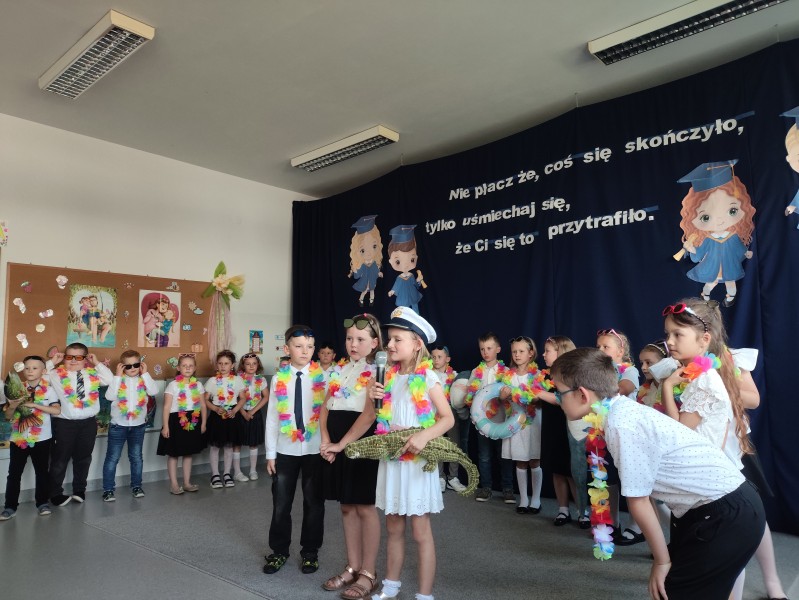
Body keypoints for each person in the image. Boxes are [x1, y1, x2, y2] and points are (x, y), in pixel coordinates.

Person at [550, 347, 765, 600]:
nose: (557, 397)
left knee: (674, 592)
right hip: (712, 509)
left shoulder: (621, 423)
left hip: (726, 512)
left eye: (559, 391)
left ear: (582, 394)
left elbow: (639, 501)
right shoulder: (620, 412)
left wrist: (661, 561)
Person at [369, 306, 455, 600]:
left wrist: (423, 435)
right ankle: (390, 586)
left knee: (420, 532)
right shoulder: (387, 376)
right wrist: (373, 399)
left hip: (417, 464)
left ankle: (424, 595)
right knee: (393, 527)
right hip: (393, 460)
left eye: (397, 339)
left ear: (417, 344)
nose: (390, 345)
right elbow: (380, 418)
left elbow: (447, 418)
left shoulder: (427, 377)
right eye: (389, 339)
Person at [320, 314, 382, 599]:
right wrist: (326, 440)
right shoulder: (340, 369)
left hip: (361, 442)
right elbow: (325, 407)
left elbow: (369, 415)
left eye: (360, 339)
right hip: (338, 443)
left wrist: (341, 444)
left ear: (375, 343)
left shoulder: (378, 372)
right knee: (346, 505)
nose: (353, 344)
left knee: (364, 506)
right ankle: (352, 566)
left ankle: (369, 572)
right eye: (349, 339)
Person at [263, 325, 326, 575]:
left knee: (314, 503)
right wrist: (270, 453)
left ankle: (310, 552)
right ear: (287, 348)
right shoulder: (279, 379)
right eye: (299, 346)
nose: (305, 351)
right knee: (281, 504)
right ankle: (279, 551)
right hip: (285, 449)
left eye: (310, 347)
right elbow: (272, 418)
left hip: (314, 448)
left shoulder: (323, 377)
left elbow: (327, 415)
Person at [678, 160, 756, 307]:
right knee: (710, 284)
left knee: (731, 284)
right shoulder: (708, 239)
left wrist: (746, 253)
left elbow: (739, 249)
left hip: (729, 267)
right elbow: (699, 254)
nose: (720, 220)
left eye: (732, 211)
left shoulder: (733, 237)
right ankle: (705, 296)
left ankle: (730, 298)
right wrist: (691, 248)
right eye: (705, 217)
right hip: (712, 267)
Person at [47, 343, 114, 506]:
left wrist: (96, 362)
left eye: (78, 357)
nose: (73, 361)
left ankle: (79, 490)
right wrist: (53, 361)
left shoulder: (93, 374)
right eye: (69, 357)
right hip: (64, 424)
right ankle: (55, 493)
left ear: (85, 359)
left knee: (83, 459)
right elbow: (41, 374)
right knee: (59, 459)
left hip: (88, 424)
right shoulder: (55, 374)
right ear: (64, 358)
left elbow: (110, 379)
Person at [596, 327, 642, 545]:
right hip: (606, 433)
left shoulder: (629, 371)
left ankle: (637, 526)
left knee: (631, 482)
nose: (600, 350)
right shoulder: (599, 373)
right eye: (598, 346)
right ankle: (613, 523)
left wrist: (597, 388)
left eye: (606, 347)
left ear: (620, 351)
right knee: (609, 480)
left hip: (627, 436)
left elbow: (624, 387)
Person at [1, 356, 61, 520]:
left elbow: (57, 411)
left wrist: (35, 405)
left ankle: (42, 503)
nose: (30, 371)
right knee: (14, 473)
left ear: (44, 371)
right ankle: (10, 507)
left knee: (42, 472)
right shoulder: (16, 389)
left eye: (35, 368)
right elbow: (7, 416)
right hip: (18, 438)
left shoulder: (49, 390)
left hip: (42, 438)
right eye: (27, 368)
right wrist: (13, 405)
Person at [537, 336, 582, 526]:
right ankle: (563, 510)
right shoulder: (546, 376)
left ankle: (582, 511)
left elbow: (563, 399)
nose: (543, 354)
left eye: (547, 350)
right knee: (556, 469)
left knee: (572, 471)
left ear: (560, 352)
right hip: (551, 426)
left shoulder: (572, 375)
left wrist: (538, 393)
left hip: (569, 426)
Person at [101, 350, 158, 501]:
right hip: (118, 426)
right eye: (128, 366)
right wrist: (117, 376)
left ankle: (136, 486)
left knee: (136, 457)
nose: (132, 368)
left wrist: (145, 373)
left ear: (141, 365)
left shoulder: (144, 380)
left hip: (138, 426)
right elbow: (109, 396)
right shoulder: (118, 381)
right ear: (122, 366)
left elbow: (154, 391)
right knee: (112, 458)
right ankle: (108, 490)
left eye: (136, 365)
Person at [498, 336, 545, 515]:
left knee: (534, 459)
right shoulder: (507, 376)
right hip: (515, 423)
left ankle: (536, 499)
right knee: (520, 460)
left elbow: (541, 400)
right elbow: (502, 401)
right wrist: (502, 397)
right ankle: (524, 499)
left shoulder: (538, 375)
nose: (517, 355)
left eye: (521, 351)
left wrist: (532, 398)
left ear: (531, 353)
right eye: (514, 352)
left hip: (533, 423)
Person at [463, 332, 511, 502]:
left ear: (498, 349)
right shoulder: (476, 372)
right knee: (484, 456)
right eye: (482, 349)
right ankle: (486, 488)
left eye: (489, 348)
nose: (485, 352)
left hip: (501, 420)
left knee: (504, 456)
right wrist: (469, 398)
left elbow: (512, 397)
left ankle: (508, 489)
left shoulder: (506, 372)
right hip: (482, 422)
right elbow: (469, 396)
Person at [157, 354, 207, 494]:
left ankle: (186, 483)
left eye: (191, 366)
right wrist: (165, 426)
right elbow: (166, 407)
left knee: (188, 453)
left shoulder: (198, 385)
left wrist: (203, 424)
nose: (188, 368)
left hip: (193, 421)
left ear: (195, 368)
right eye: (184, 366)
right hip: (175, 421)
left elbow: (203, 405)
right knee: (174, 454)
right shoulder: (172, 385)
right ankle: (174, 484)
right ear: (178, 368)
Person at [204, 350, 246, 489]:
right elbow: (206, 400)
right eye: (220, 363)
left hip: (231, 415)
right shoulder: (212, 381)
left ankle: (227, 473)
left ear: (232, 365)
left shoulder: (238, 380)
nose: (223, 366)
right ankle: (215, 474)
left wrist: (235, 410)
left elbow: (243, 398)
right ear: (217, 365)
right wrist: (215, 408)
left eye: (226, 363)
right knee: (215, 447)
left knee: (229, 446)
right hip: (217, 416)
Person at [430, 344, 466, 493]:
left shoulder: (455, 376)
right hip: (433, 414)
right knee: (437, 445)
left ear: (447, 359)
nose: (436, 360)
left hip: (451, 414)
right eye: (433, 357)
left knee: (453, 444)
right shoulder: (428, 375)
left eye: (440, 357)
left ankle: (453, 478)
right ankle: (439, 477)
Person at [234, 352, 269, 481]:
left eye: (254, 363)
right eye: (248, 364)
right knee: (237, 443)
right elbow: (234, 398)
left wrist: (252, 412)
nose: (251, 366)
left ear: (258, 365)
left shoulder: (261, 380)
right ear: (243, 365)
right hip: (239, 413)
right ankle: (237, 472)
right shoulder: (237, 379)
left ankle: (253, 470)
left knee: (253, 443)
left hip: (254, 413)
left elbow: (266, 397)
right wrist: (243, 412)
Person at [349, 215, 384, 307]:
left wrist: (379, 273)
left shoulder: (374, 264)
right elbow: (357, 275)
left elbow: (376, 271)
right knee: (364, 291)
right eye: (363, 250)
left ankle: (371, 301)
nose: (369, 253)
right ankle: (361, 300)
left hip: (372, 282)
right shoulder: (363, 265)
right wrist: (355, 270)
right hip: (365, 282)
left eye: (374, 246)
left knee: (372, 291)